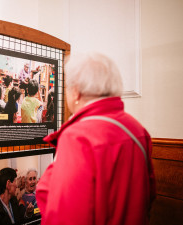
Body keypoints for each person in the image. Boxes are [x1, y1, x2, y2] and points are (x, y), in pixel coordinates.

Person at [36, 53, 156, 225]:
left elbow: (65, 215)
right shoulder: (137, 129)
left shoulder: (77, 137)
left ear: (76, 92)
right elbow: (148, 195)